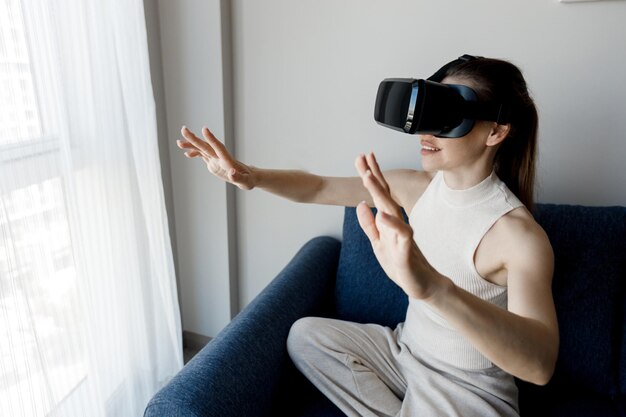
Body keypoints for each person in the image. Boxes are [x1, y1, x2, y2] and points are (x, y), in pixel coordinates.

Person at [176, 55, 559, 417]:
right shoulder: (416, 187)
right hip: (404, 353)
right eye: (427, 113)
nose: (425, 131)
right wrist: (252, 176)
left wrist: (435, 289)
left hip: (467, 390)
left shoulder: (518, 236)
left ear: (495, 130)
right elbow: (319, 187)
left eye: (445, 116)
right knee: (305, 335)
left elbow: (539, 365)